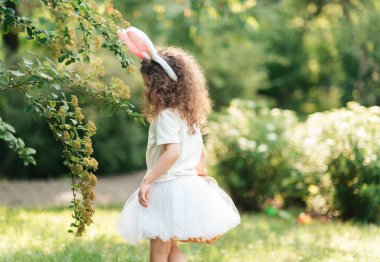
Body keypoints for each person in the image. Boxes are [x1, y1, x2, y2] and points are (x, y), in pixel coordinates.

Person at [116, 26, 241, 262]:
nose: (146, 91)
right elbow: (200, 152)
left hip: (167, 188)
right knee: (172, 249)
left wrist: (147, 180)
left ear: (158, 87)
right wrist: (200, 174)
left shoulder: (166, 116)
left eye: (147, 86)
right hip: (185, 186)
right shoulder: (187, 115)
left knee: (159, 252)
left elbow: (172, 152)